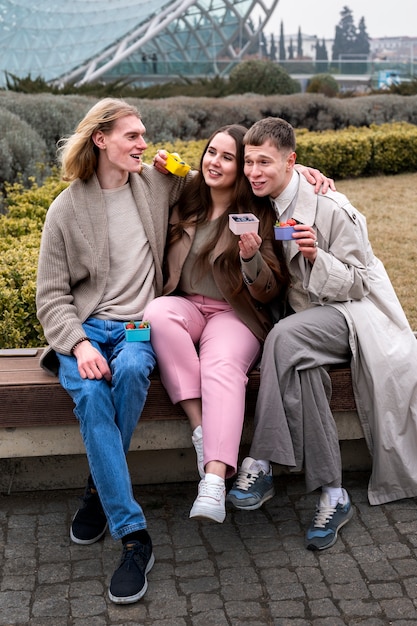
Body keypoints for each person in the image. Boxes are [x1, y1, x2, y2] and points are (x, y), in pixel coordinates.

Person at [227, 116, 417, 551]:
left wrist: (317, 258)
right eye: (249, 161)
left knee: (285, 340)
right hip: (306, 322)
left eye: (265, 163)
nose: (254, 171)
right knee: (304, 370)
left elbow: (359, 282)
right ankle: (334, 494)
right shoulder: (260, 202)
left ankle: (262, 461)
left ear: (291, 161)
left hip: (351, 315)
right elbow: (211, 172)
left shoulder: (329, 206)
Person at [36, 98, 191, 604]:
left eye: (144, 136)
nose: (143, 144)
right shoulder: (66, 209)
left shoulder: (156, 183)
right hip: (85, 329)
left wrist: (308, 174)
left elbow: (220, 181)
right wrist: (78, 344)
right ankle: (135, 536)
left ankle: (98, 491)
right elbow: (52, 297)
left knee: (129, 371)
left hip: (139, 327)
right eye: (132, 136)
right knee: (91, 391)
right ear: (100, 140)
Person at [144, 124, 291, 524]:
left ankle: (212, 482)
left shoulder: (257, 212)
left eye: (228, 157)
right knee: (157, 313)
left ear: (241, 167)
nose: (215, 162)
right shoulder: (188, 194)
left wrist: (251, 258)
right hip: (188, 305)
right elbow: (155, 169)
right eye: (212, 152)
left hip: (235, 314)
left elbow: (269, 290)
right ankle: (201, 429)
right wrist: (161, 162)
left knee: (222, 366)